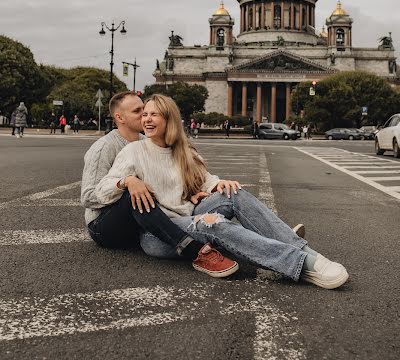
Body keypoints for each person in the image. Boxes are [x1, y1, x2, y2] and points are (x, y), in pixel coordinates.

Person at [96, 94, 349, 290]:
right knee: (214, 223)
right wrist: (127, 181)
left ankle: (300, 249)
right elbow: (102, 191)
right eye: (145, 115)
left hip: (190, 215)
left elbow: (206, 181)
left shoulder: (185, 152)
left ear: (169, 119)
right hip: (160, 234)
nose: (147, 119)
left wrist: (219, 185)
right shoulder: (133, 152)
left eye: (155, 115)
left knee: (234, 192)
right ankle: (302, 265)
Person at [81, 91, 238, 278]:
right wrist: (126, 183)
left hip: (142, 221)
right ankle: (193, 250)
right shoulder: (104, 147)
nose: (145, 114)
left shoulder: (147, 141)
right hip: (104, 224)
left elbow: (163, 179)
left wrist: (187, 193)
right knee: (134, 194)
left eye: (146, 109)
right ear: (119, 117)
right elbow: (88, 197)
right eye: (138, 111)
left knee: (226, 201)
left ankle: (219, 240)